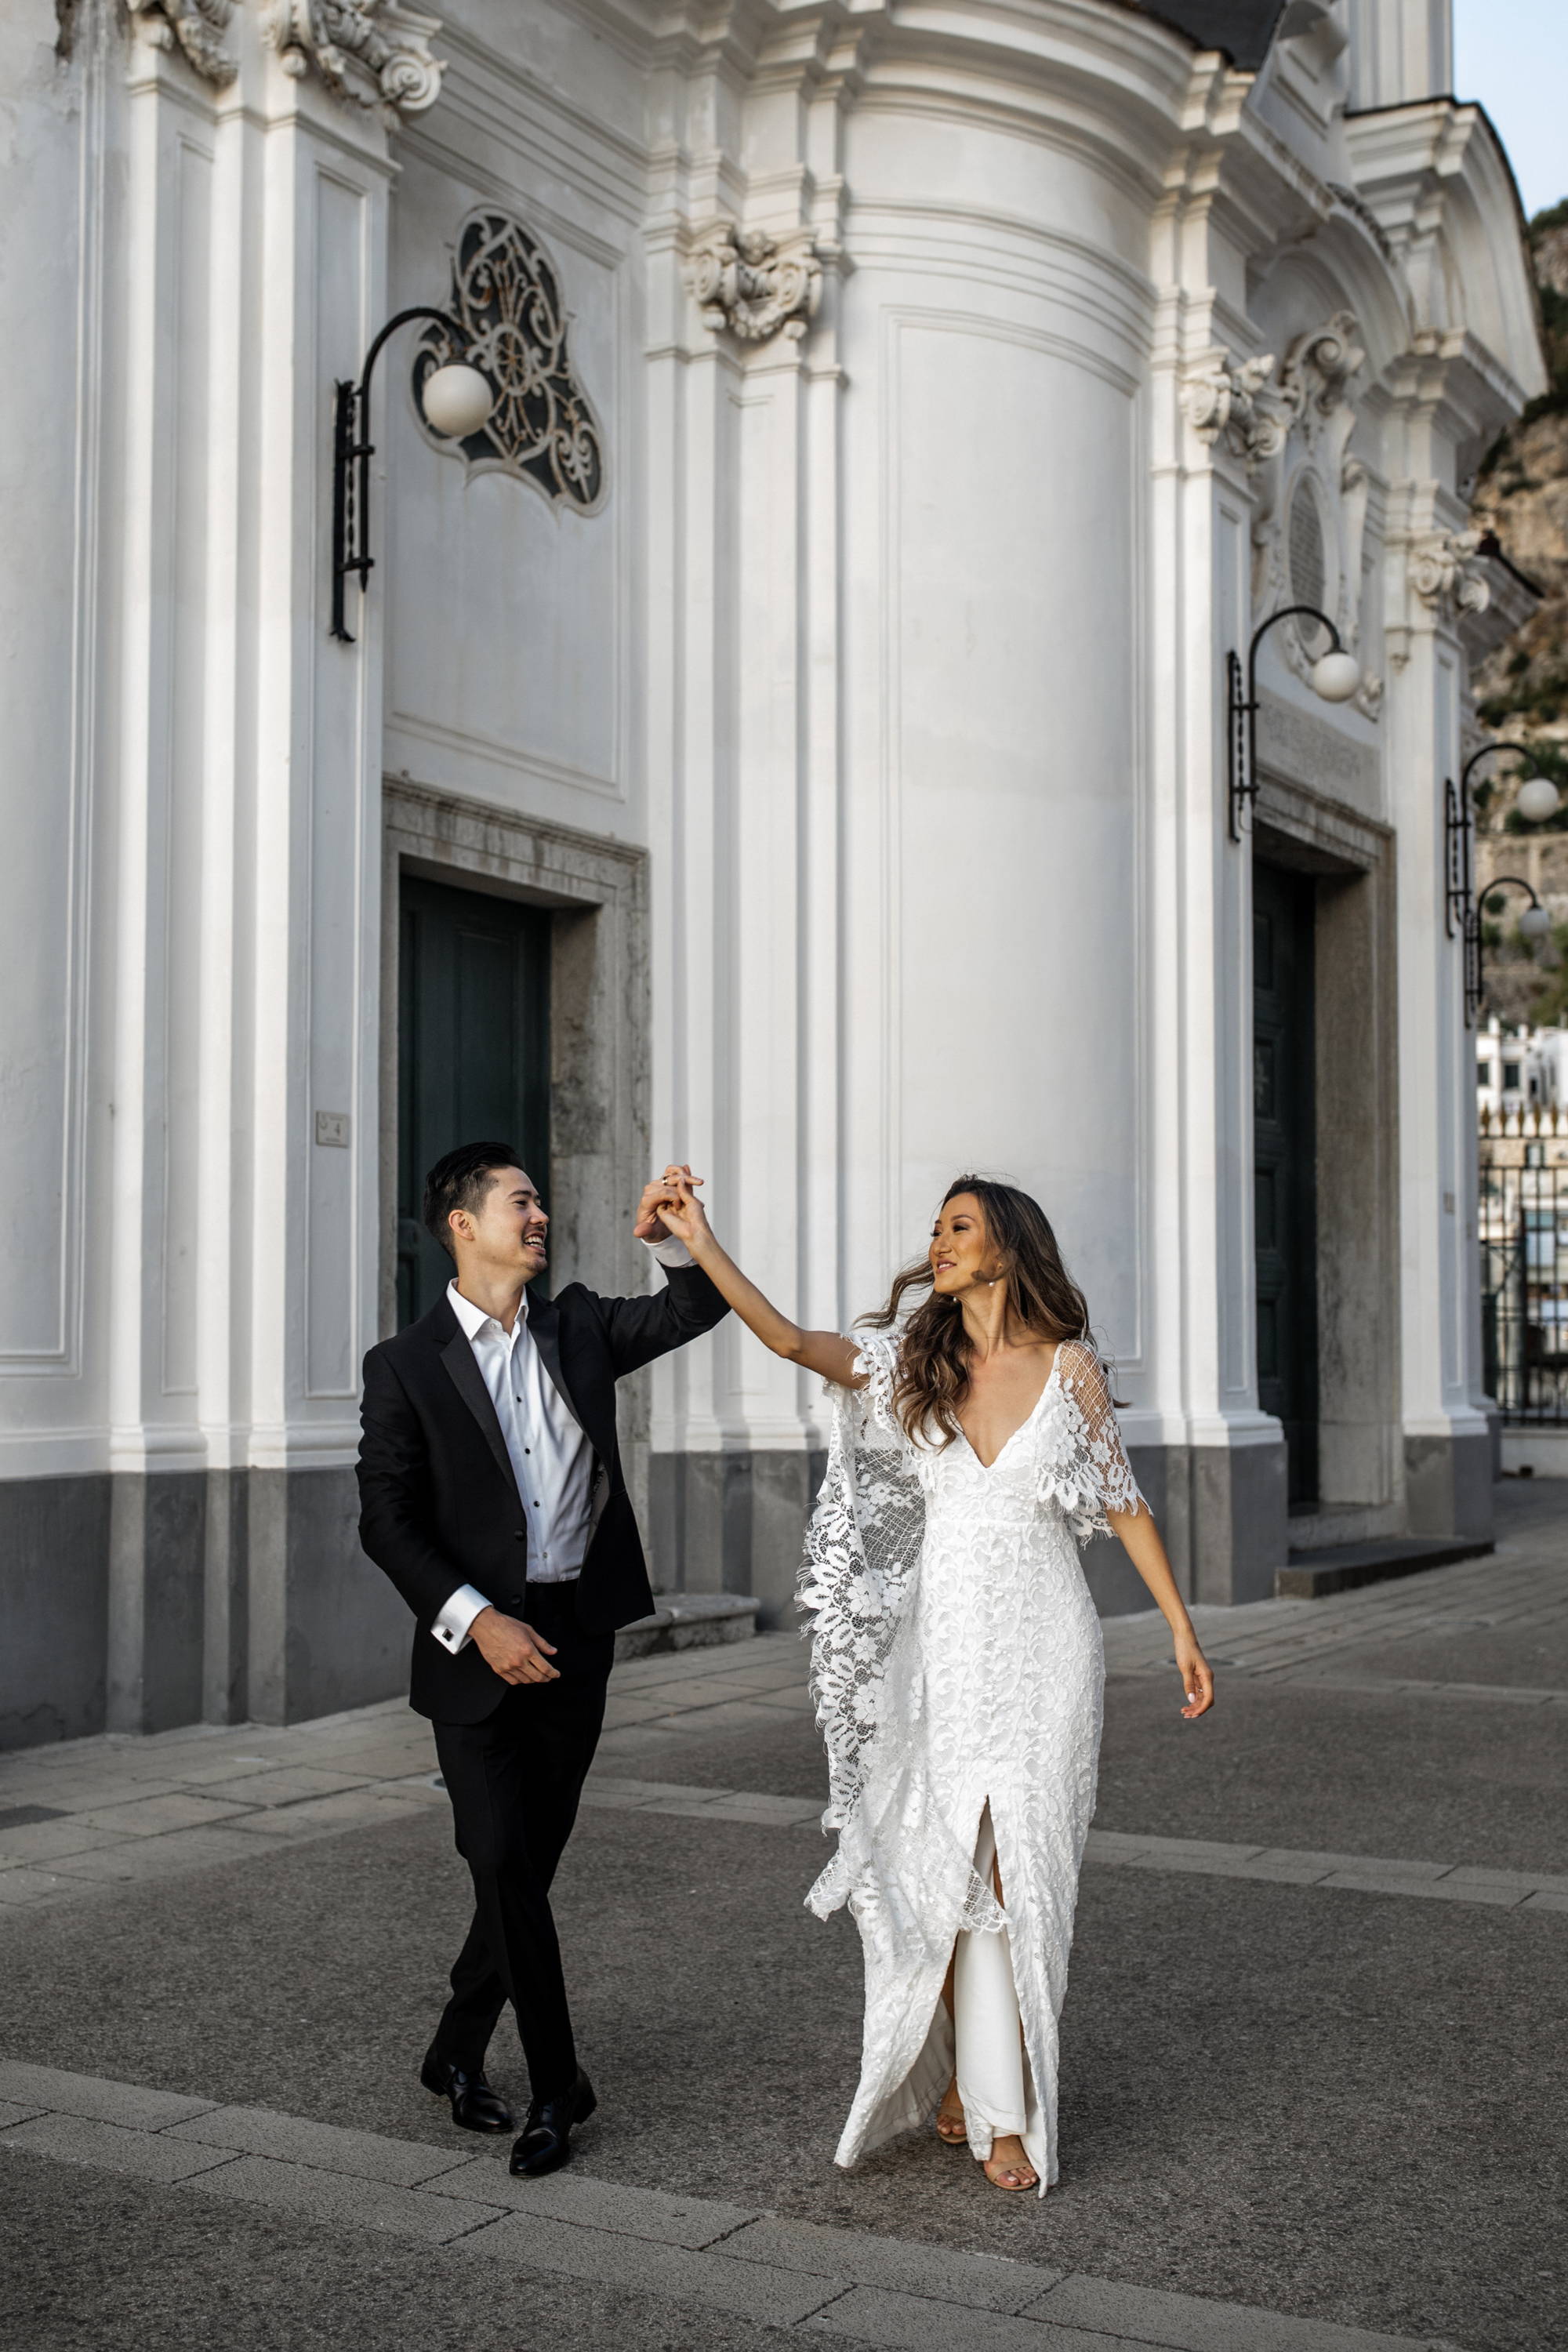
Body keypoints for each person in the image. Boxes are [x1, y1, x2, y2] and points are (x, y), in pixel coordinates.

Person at [642, 1168, 1214, 2196]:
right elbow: (786, 1339)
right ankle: (982, 2088)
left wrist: (1179, 1628)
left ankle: (994, 2100)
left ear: (1008, 1245)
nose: (939, 1243)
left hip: (1049, 1654)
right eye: (937, 1229)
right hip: (950, 1655)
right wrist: (700, 1240)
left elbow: (1123, 1503)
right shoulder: (917, 1362)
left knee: (1024, 1875)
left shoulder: (1071, 1367)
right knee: (956, 1878)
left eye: (960, 1227)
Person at [356, 1145, 728, 2178]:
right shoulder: (405, 1364)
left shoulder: (578, 1325)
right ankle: (559, 2085)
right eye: (519, 1202)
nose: (540, 1216)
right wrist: (477, 1621)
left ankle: (455, 2046)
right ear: (460, 1226)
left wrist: (683, 1246)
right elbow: (385, 1522)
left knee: (528, 1862)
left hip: (580, 1632)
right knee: (501, 1857)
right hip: (478, 1652)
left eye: (539, 1202)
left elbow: (695, 1314)